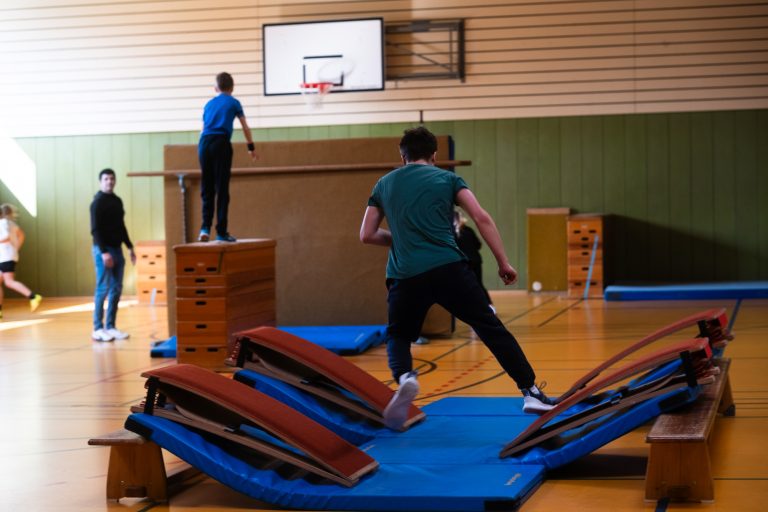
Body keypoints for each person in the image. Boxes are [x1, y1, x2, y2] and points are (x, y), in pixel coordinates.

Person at [360, 127, 555, 430]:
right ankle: (530, 392)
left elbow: (367, 235)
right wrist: (503, 262)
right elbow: (481, 217)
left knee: (398, 335)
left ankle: (405, 378)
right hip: (448, 268)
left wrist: (401, 239)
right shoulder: (448, 179)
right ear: (434, 155)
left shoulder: (384, 184)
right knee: (490, 328)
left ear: (402, 155)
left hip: (405, 274)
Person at [197, 72, 257, 243]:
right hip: (220, 144)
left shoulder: (208, 104)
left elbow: (202, 130)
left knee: (207, 188)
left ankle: (204, 228)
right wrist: (250, 146)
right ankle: (221, 231)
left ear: (215, 88)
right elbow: (245, 126)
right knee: (221, 189)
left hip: (204, 144)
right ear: (232, 88)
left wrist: (201, 151)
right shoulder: (234, 102)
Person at [90, 168, 135, 342]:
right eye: (106, 179)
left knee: (116, 289)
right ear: (101, 181)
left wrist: (130, 247)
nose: (109, 181)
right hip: (103, 250)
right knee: (103, 289)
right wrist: (103, 252)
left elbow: (121, 227)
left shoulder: (117, 201)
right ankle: (98, 328)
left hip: (117, 249)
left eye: (112, 179)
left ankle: (111, 326)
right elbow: (95, 230)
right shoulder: (97, 202)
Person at [0, 204, 42, 319]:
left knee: (9, 282)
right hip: (7, 256)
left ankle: (33, 296)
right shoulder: (10, 223)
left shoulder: (3, 223)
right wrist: (16, 248)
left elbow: (6, 236)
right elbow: (21, 235)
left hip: (5, 257)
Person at [454, 209, 493, 308]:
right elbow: (478, 245)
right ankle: (489, 306)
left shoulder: (452, 234)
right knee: (478, 284)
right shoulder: (469, 230)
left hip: (465, 262)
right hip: (476, 260)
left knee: (463, 285)